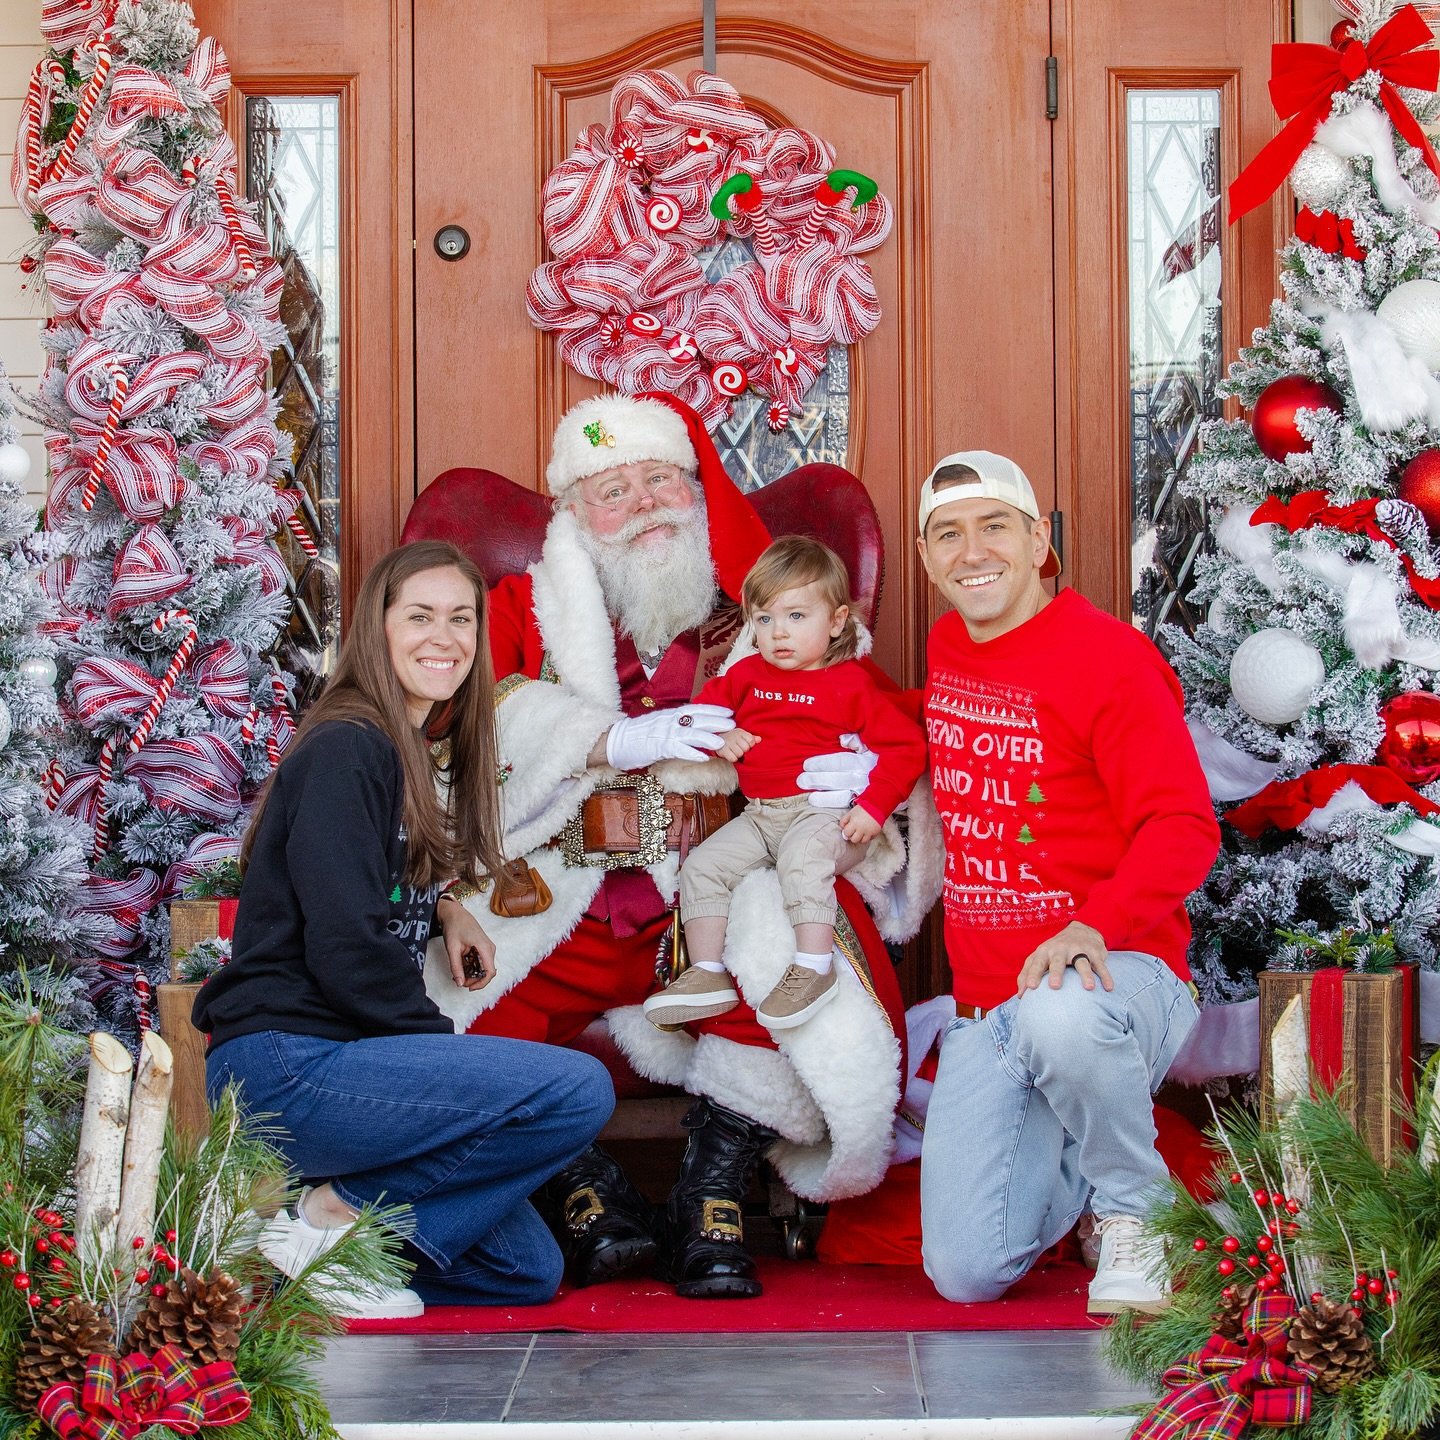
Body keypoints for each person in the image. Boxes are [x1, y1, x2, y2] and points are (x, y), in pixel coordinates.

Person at [423, 392, 942, 1299]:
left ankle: (714, 1191)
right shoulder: (519, 605)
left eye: (662, 479)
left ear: (696, 493)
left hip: (723, 878)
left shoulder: (770, 612)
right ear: (573, 515)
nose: (646, 504)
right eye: (612, 490)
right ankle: (586, 1189)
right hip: (569, 886)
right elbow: (456, 723)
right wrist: (598, 739)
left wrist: (861, 774)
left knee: (797, 988)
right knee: (467, 1003)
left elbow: (878, 712)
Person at [193, 540, 614, 1318]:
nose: (443, 637)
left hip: (341, 1065)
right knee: (575, 1090)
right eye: (419, 616)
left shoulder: (401, 751)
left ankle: (303, 1263)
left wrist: (446, 910)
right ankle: (332, 1214)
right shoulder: (348, 748)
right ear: (376, 630)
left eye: (461, 619)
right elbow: (347, 942)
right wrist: (438, 1050)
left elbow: (363, 882)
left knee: (524, 1269)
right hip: (289, 1064)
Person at [913, 451, 1219, 1315]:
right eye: (949, 535)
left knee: (1060, 1007)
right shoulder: (947, 649)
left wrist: (1096, 923)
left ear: (1040, 542)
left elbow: (1185, 829)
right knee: (966, 1275)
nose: (974, 551)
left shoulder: (1110, 661)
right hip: (990, 1013)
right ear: (931, 561)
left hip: (1116, 980)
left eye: (995, 526)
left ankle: (1139, 1214)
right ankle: (1090, 1183)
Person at [643, 535, 927, 1032]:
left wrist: (873, 807)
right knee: (704, 865)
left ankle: (813, 969)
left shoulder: (851, 683)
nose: (779, 633)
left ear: (836, 621)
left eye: (797, 617)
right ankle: (706, 973)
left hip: (827, 817)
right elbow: (699, 717)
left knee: (803, 859)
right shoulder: (747, 675)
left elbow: (905, 747)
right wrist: (721, 735)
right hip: (760, 814)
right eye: (765, 618)